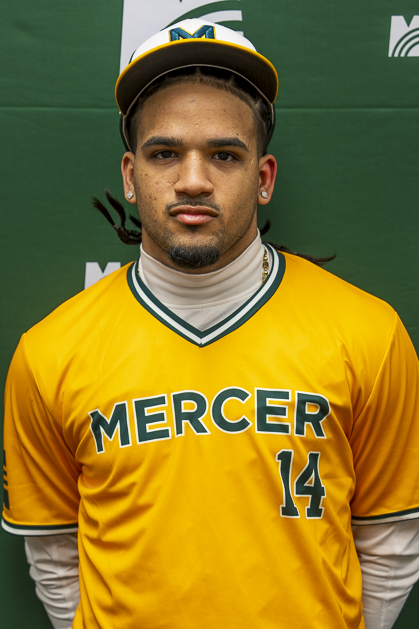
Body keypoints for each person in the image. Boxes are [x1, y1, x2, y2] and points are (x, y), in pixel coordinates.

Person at [2, 19, 419, 629]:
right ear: (130, 177)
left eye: (224, 155)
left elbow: (391, 543)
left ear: (264, 177)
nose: (193, 181)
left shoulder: (368, 334)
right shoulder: (49, 353)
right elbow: (56, 554)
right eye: (165, 153)